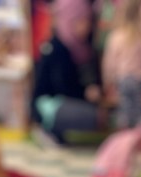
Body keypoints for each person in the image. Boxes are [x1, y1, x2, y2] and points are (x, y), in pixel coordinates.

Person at [31, 0, 104, 142]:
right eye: (80, 21)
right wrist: (85, 93)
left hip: (70, 100)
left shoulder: (84, 49)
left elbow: (93, 77)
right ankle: (47, 130)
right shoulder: (56, 48)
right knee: (95, 117)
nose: (86, 26)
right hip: (48, 105)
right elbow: (61, 87)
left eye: (88, 21)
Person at [102, 0, 141, 129]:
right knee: (137, 111)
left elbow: (109, 63)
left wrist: (108, 81)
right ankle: (136, 132)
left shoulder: (116, 36)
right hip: (139, 79)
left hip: (123, 79)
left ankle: (125, 131)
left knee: (125, 109)